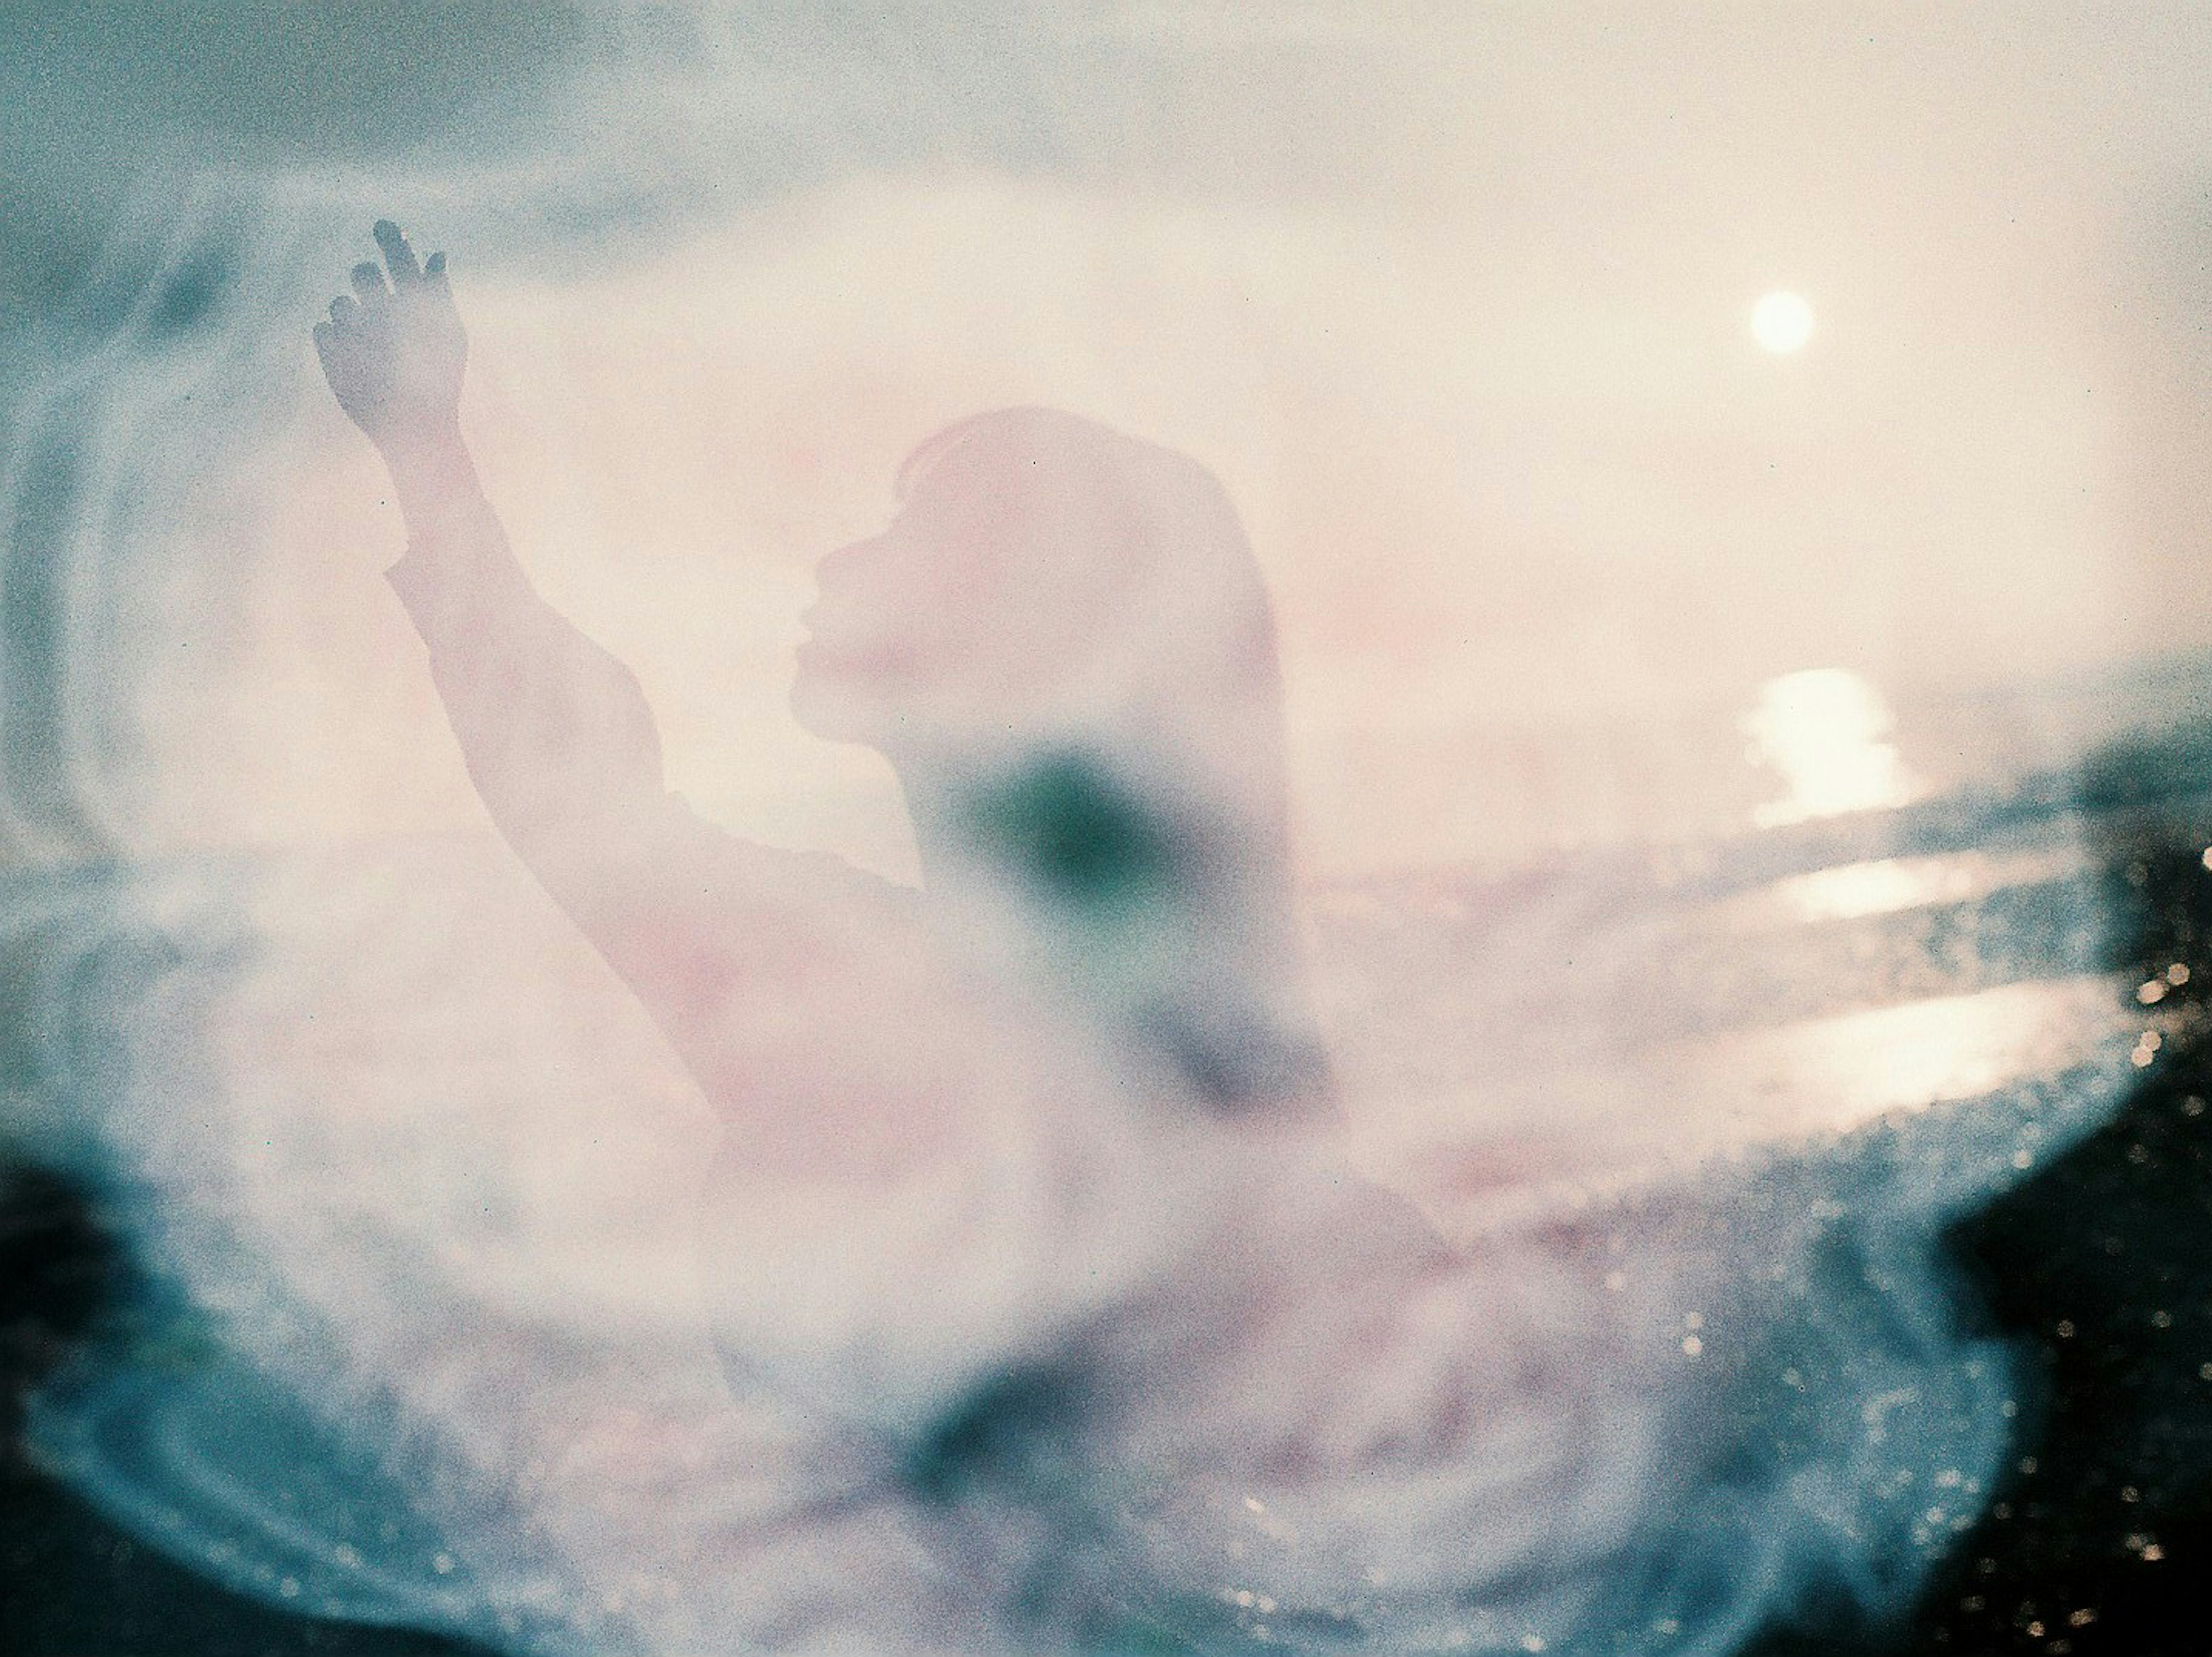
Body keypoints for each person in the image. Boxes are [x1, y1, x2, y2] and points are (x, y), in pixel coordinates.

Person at [315, 222, 1658, 1657]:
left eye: (915, 530)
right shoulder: (1189, 1044)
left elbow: (573, 792)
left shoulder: (888, 1013)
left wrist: (427, 458)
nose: (840, 552)